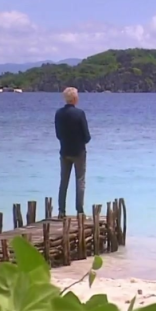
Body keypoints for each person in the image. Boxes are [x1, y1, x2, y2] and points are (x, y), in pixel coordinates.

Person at [54, 87, 91, 218]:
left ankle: (61, 211)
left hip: (64, 151)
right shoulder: (80, 114)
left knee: (64, 181)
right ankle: (80, 211)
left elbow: (58, 134)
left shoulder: (58, 113)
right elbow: (87, 136)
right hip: (79, 151)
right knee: (80, 180)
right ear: (75, 98)